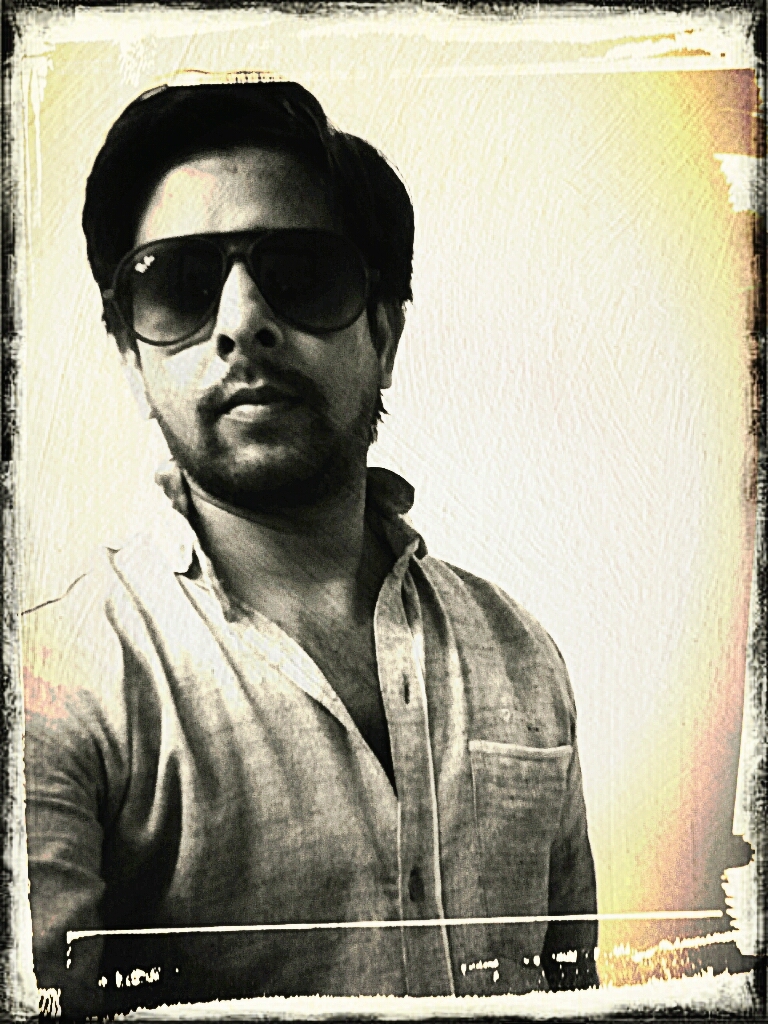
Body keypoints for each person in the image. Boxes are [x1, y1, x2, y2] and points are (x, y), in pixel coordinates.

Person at [22, 76, 598, 1016]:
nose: (241, 322)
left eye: (302, 273)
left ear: (384, 334)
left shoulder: (522, 657)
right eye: (176, 285)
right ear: (130, 355)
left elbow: (577, 987)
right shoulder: (56, 691)